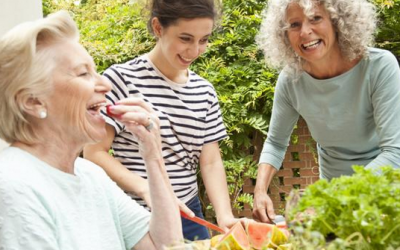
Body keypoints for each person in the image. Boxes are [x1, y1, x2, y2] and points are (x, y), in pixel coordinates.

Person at [0, 11, 183, 249]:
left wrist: (153, 154)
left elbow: (164, 246)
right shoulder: (14, 186)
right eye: (84, 73)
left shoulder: (89, 175)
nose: (105, 84)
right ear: (34, 101)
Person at [84, 0, 240, 240]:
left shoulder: (205, 91)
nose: (194, 51)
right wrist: (147, 190)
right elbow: (94, 153)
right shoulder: (121, 79)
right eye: (185, 39)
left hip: (189, 214)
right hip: (136, 214)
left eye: (204, 40)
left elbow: (210, 161)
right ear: (158, 28)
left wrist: (224, 215)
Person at [253, 0, 400, 223]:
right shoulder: (290, 80)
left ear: (337, 20)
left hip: (383, 194)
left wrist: (333, 199)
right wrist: (260, 190)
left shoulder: (379, 67)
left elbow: (394, 152)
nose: (305, 32)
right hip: (333, 198)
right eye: (294, 24)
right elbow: (275, 142)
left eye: (315, 18)